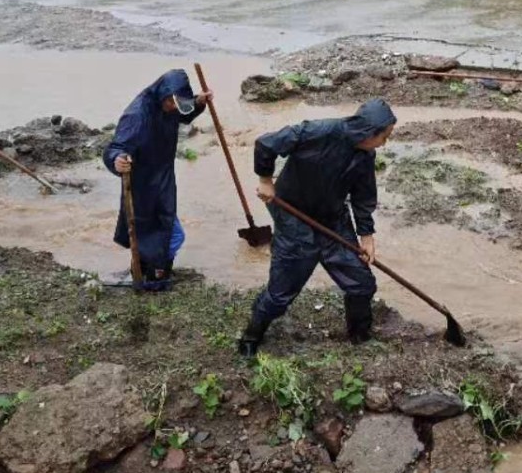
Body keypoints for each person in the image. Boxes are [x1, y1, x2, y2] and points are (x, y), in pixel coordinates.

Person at [237, 99, 398, 357]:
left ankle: (360, 336)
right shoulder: (317, 132)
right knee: (281, 293)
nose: (384, 143)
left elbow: (363, 196)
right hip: (294, 215)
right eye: (384, 137)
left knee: (362, 283)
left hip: (332, 219)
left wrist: (366, 236)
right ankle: (251, 335)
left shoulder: (366, 155)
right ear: (369, 132)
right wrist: (266, 180)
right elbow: (266, 143)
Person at [103, 69, 211, 290]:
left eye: (177, 104)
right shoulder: (137, 116)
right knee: (171, 235)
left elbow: (183, 114)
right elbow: (116, 148)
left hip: (163, 177)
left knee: (156, 232)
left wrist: (198, 103)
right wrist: (117, 161)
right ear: (163, 94)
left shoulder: (171, 104)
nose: (173, 108)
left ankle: (144, 273)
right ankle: (156, 278)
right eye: (171, 103)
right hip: (143, 186)